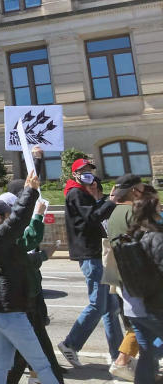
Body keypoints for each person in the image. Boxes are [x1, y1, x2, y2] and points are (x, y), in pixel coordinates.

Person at [0, 174, 60, 384]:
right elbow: (18, 222)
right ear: (0, 219)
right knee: (42, 364)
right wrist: (30, 191)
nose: (11, 218)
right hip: (11, 313)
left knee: (2, 365)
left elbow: (22, 248)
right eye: (7, 215)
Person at [58, 158, 122, 367]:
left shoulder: (84, 192)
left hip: (95, 252)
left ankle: (118, 356)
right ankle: (70, 344)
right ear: (74, 174)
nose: (88, 174)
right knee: (98, 304)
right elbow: (93, 218)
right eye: (83, 171)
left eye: (90, 170)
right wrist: (110, 201)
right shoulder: (76, 192)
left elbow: (96, 215)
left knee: (111, 307)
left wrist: (99, 197)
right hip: (90, 254)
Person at [105, 175, 152, 382]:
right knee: (147, 323)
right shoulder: (135, 213)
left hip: (126, 277)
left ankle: (127, 361)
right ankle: (127, 362)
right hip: (142, 278)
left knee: (141, 323)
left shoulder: (116, 212)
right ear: (135, 191)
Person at [121, 189, 163, 384]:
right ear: (152, 212)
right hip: (154, 306)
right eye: (160, 207)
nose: (162, 210)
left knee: (149, 352)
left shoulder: (131, 235)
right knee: (154, 348)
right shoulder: (156, 237)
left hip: (133, 306)